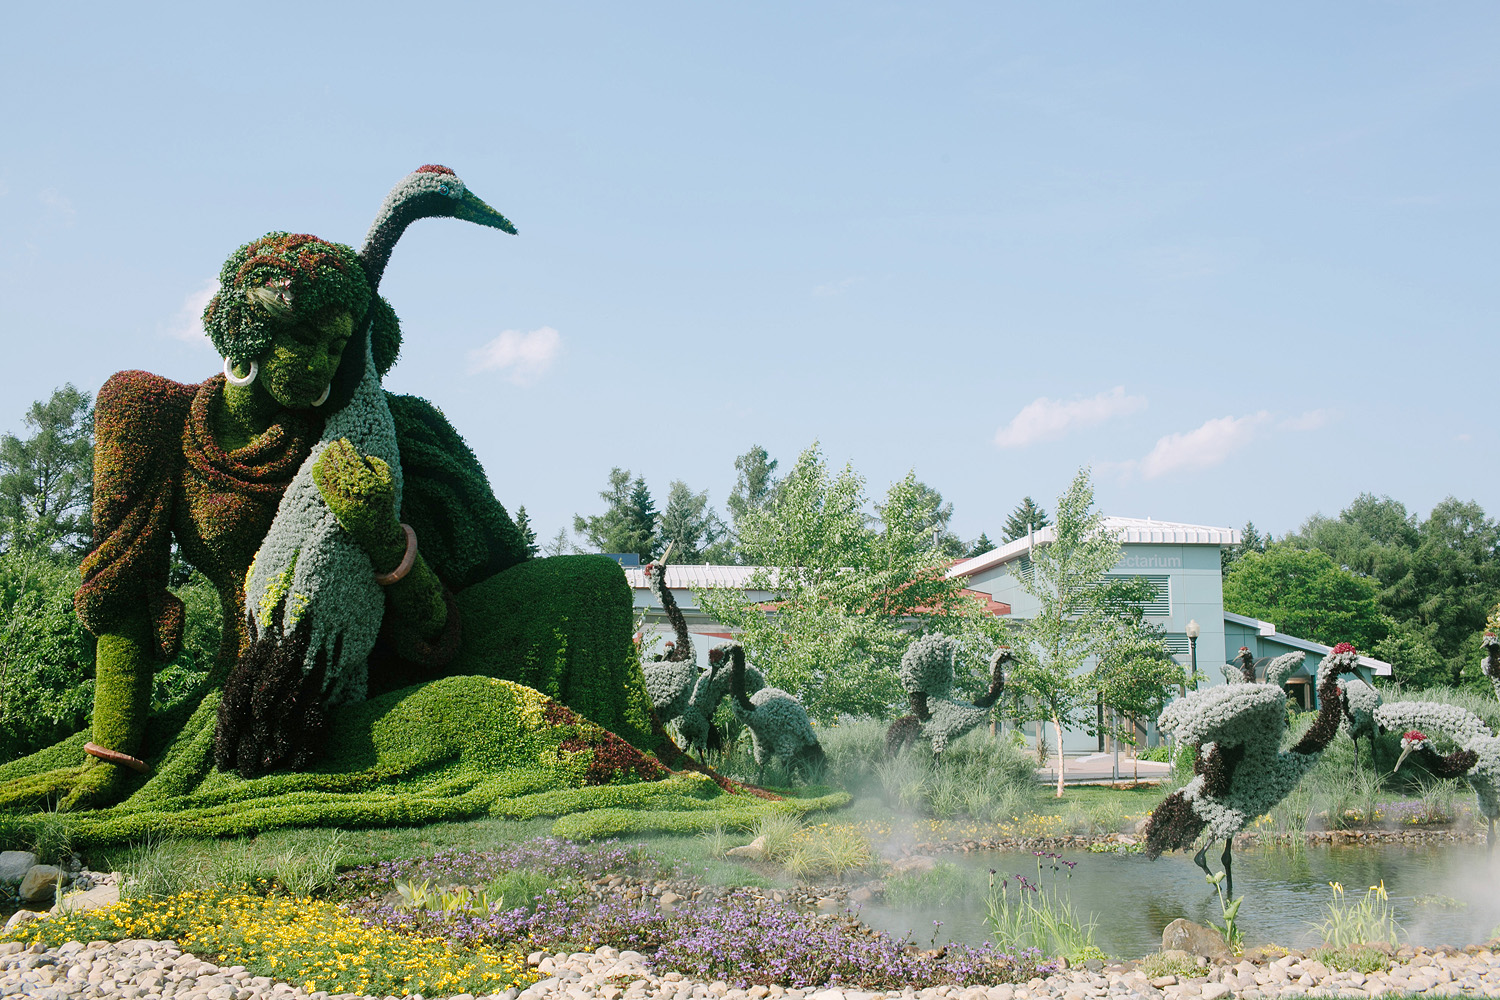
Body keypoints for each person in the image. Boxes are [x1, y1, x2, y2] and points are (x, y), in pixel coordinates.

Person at [3, 232, 650, 811]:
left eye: (338, 347)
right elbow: (123, 604)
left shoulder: (368, 436)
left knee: (591, 583)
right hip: (249, 701)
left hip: (367, 681)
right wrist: (115, 758)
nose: (320, 367)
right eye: (304, 341)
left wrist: (382, 536)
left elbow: (439, 629)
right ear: (250, 335)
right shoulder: (150, 412)